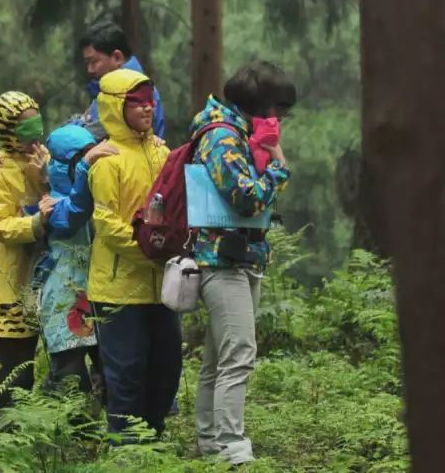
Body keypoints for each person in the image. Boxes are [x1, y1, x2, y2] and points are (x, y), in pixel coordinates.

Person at [192, 61, 294, 465]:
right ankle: (232, 448)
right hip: (221, 259)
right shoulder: (222, 138)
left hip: (240, 256)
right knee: (239, 354)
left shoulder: (236, 132)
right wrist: (278, 162)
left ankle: (209, 442)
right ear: (259, 106)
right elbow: (245, 196)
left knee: (219, 357)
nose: (280, 118)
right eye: (278, 109)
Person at [87, 69, 175, 439]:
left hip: (162, 288)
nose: (146, 108)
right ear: (114, 106)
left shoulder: (164, 153)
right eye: (136, 102)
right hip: (118, 289)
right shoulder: (107, 161)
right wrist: (150, 250)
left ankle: (153, 444)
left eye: (150, 100)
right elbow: (106, 224)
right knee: (125, 375)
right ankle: (125, 450)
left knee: (167, 370)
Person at [0, 91, 52, 414]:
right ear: (8, 129)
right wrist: (35, 222)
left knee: (28, 363)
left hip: (39, 277)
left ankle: (16, 431)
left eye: (36, 123)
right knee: (7, 366)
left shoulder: (44, 158)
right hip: (8, 278)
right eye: (24, 126)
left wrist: (43, 177)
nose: (34, 132)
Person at [34, 123, 116, 395]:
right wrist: (84, 167)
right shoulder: (51, 204)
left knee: (112, 372)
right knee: (70, 380)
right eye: (81, 159)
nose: (90, 165)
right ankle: (65, 435)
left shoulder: (99, 196)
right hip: (64, 305)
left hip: (99, 298)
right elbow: (71, 216)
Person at [78, 21, 166, 140]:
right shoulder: (112, 90)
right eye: (87, 63)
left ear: (117, 57)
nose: (89, 70)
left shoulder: (129, 94)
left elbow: (93, 135)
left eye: (93, 62)